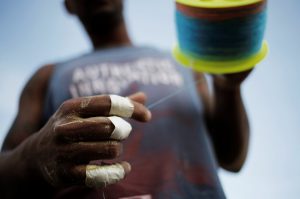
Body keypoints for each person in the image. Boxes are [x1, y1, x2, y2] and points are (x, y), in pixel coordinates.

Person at [0, 0, 252, 198]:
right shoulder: (47, 77)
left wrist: (228, 88)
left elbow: (232, 158)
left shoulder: (186, 64)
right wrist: (34, 157)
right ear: (68, 4)